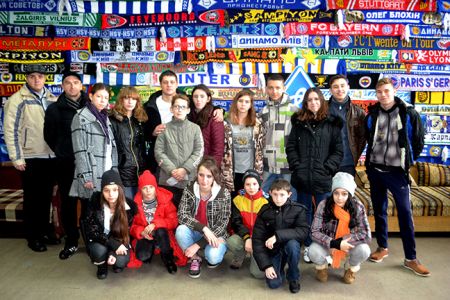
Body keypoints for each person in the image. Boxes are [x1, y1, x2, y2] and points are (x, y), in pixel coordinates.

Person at [365, 78, 430, 277]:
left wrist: (407, 162)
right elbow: (370, 139)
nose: (383, 95)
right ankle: (382, 247)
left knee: (404, 214)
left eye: (386, 91)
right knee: (379, 211)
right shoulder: (372, 114)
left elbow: (418, 140)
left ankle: (410, 258)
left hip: (397, 173)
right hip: (375, 171)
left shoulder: (408, 113)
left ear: (394, 91)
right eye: (379, 92)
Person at [3, 65, 58, 252]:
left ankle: (43, 232)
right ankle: (32, 236)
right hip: (29, 156)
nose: (36, 80)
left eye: (40, 76)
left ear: (45, 78)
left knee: (45, 198)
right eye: (32, 76)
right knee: (33, 199)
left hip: (49, 156)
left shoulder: (52, 98)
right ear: (26, 78)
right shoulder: (17, 100)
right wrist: (17, 157)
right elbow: (10, 130)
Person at [286, 87, 343, 263]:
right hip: (302, 178)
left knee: (324, 215)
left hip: (322, 178)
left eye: (316, 99)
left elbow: (338, 151)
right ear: (305, 103)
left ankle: (323, 247)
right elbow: (291, 147)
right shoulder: (299, 122)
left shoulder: (332, 123)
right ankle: (309, 246)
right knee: (305, 214)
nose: (313, 103)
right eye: (310, 100)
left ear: (322, 101)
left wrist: (327, 168)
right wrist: (297, 166)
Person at [144, 71, 223, 174]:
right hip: (162, 159)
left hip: (187, 158)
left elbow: (204, 105)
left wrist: (218, 109)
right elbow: (143, 132)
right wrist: (152, 132)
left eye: (172, 82)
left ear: (177, 84)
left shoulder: (188, 100)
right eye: (165, 82)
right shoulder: (149, 106)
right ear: (160, 84)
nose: (169, 85)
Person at [44, 72, 87, 259]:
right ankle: (71, 240)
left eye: (75, 83)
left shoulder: (91, 106)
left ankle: (90, 238)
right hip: (66, 164)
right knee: (68, 205)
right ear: (62, 86)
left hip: (88, 165)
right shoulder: (54, 109)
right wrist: (63, 151)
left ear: (81, 85)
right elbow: (49, 136)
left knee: (88, 204)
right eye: (68, 83)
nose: (72, 86)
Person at [309, 172, 371, 284]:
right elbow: (314, 232)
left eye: (344, 194)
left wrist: (342, 243)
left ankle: (350, 268)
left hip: (348, 244)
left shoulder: (358, 207)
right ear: (332, 193)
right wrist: (334, 244)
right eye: (336, 193)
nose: (340, 198)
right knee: (313, 251)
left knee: (364, 250)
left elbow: (366, 234)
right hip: (329, 244)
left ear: (350, 194)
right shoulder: (323, 205)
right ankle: (322, 267)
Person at [176, 157, 231, 278]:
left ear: (214, 177)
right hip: (197, 231)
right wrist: (204, 229)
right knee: (180, 230)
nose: (204, 180)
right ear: (197, 174)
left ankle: (208, 249)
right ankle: (195, 259)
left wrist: (198, 244)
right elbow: (182, 215)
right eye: (201, 175)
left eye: (209, 176)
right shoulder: (189, 188)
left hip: (216, 234)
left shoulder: (224, 193)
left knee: (212, 257)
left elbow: (223, 224)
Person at [252, 179, 309, 294]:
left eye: (282, 195)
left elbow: (303, 231)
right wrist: (267, 266)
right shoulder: (264, 211)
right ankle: (279, 266)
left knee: (293, 245)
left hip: (290, 247)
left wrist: (277, 236)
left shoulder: (298, 209)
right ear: (270, 193)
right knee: (274, 284)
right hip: (273, 250)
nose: (278, 199)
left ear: (289, 194)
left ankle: (293, 277)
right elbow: (257, 240)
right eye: (275, 195)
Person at [129, 170, 187, 273]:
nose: (148, 191)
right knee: (143, 256)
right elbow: (132, 226)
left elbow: (174, 221)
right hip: (146, 234)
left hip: (163, 234)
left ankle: (167, 258)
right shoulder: (135, 204)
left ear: (155, 187)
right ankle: (153, 247)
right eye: (144, 188)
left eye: (151, 187)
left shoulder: (165, 200)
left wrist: (156, 224)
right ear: (140, 189)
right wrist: (141, 231)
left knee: (160, 231)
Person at [83, 170, 137, 279]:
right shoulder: (94, 204)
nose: (111, 194)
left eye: (115, 190)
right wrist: (114, 245)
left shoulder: (129, 207)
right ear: (102, 191)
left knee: (121, 262)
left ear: (120, 190)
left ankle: (110, 256)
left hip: (119, 240)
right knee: (98, 251)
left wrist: (113, 252)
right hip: (100, 240)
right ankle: (102, 266)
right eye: (106, 190)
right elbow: (92, 232)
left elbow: (125, 234)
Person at [70, 83, 118, 201]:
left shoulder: (104, 117)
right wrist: (86, 176)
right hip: (92, 171)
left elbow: (110, 148)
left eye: (106, 98)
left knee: (104, 210)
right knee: (90, 212)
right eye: (99, 96)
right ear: (91, 96)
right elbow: (79, 150)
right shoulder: (81, 117)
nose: (103, 100)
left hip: (106, 169)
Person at [154, 94, 204, 208]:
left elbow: (199, 151)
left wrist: (185, 169)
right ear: (171, 109)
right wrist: (172, 170)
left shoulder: (195, 129)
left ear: (188, 110)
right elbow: (158, 152)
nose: (179, 109)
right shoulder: (164, 128)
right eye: (176, 106)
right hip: (168, 180)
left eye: (183, 107)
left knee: (188, 215)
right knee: (168, 215)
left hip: (189, 180)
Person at [260, 74, 298, 200]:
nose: (274, 91)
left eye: (277, 87)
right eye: (270, 88)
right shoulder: (263, 112)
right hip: (268, 166)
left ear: (284, 88)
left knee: (290, 202)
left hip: (288, 166)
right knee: (263, 201)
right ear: (266, 89)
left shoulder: (295, 111)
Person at [222, 89, 265, 198]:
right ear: (236, 102)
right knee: (232, 201)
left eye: (247, 102)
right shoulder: (226, 123)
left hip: (250, 171)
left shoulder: (257, 123)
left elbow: (261, 146)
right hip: (231, 171)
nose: (243, 104)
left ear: (251, 105)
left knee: (249, 202)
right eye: (240, 101)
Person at [109, 86, 148, 200]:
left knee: (139, 210)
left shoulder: (140, 120)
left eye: (133, 99)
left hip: (140, 171)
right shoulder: (112, 120)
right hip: (122, 171)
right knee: (126, 208)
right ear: (121, 100)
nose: (130, 102)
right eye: (126, 98)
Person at [227, 169, 267, 278]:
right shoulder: (237, 200)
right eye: (248, 184)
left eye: (254, 184)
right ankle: (240, 255)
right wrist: (247, 238)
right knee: (231, 241)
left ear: (259, 185)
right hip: (244, 237)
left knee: (258, 274)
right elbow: (236, 223)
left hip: (259, 239)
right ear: (243, 185)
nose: (251, 187)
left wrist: (254, 240)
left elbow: (266, 226)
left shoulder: (266, 201)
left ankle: (257, 254)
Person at [328, 75, 366, 176]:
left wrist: (354, 156)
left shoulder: (359, 112)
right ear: (330, 90)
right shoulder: (321, 111)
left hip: (347, 164)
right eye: (335, 87)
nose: (340, 89)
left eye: (342, 85)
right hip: (324, 163)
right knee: (325, 192)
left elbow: (362, 138)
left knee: (345, 192)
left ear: (348, 87)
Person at [189, 84, 224, 168]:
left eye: (202, 96)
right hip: (190, 164)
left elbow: (218, 147)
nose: (198, 99)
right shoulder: (188, 115)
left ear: (208, 99)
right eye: (195, 96)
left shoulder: (214, 116)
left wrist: (212, 168)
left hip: (207, 165)